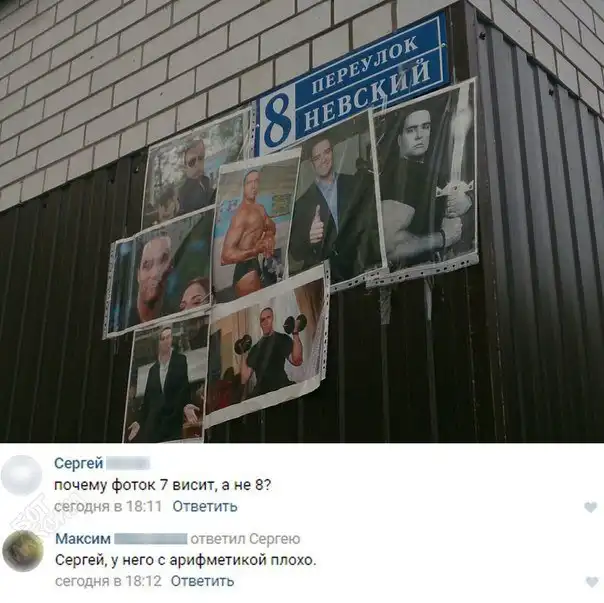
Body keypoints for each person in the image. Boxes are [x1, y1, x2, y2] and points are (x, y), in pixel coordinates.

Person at [380, 105, 472, 268]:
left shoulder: (428, 173)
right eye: (411, 130)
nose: (419, 136)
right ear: (399, 139)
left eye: (425, 127)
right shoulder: (398, 175)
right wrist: (443, 237)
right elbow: (390, 248)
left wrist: (467, 200)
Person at [288, 135, 381, 283]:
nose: (324, 159)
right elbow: (295, 251)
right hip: (325, 280)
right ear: (311, 164)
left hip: (360, 271)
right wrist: (309, 238)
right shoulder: (302, 204)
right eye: (317, 157)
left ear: (333, 153)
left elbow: (370, 222)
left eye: (327, 152)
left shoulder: (355, 184)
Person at [127, 326, 199, 443]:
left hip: (172, 424)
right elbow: (147, 400)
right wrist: (139, 421)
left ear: (172, 339)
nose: (166, 341)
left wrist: (187, 404)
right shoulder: (153, 370)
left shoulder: (180, 360)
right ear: (158, 343)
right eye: (163, 338)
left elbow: (184, 387)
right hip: (154, 427)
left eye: (168, 337)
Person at [220, 170, 276, 298]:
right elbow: (225, 256)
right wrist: (255, 250)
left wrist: (268, 238)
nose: (253, 186)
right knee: (251, 305)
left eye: (256, 181)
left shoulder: (260, 209)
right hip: (244, 268)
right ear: (243, 187)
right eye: (249, 182)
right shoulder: (240, 215)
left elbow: (271, 227)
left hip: (255, 263)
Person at [239, 308, 303, 398]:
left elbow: (297, 361)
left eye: (268, 318)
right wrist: (243, 351)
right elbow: (244, 378)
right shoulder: (255, 349)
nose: (265, 322)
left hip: (281, 387)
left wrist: (295, 332)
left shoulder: (282, 339)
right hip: (261, 393)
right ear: (260, 324)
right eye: (262, 320)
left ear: (272, 319)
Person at [128, 234, 173, 327]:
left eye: (162, 262)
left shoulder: (173, 316)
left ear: (170, 269)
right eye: (147, 265)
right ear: (138, 275)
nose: (155, 273)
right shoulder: (124, 322)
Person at [178, 139, 215, 215]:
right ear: (185, 168)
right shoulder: (185, 193)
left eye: (200, 158)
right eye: (192, 162)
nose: (197, 164)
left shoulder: (206, 183)